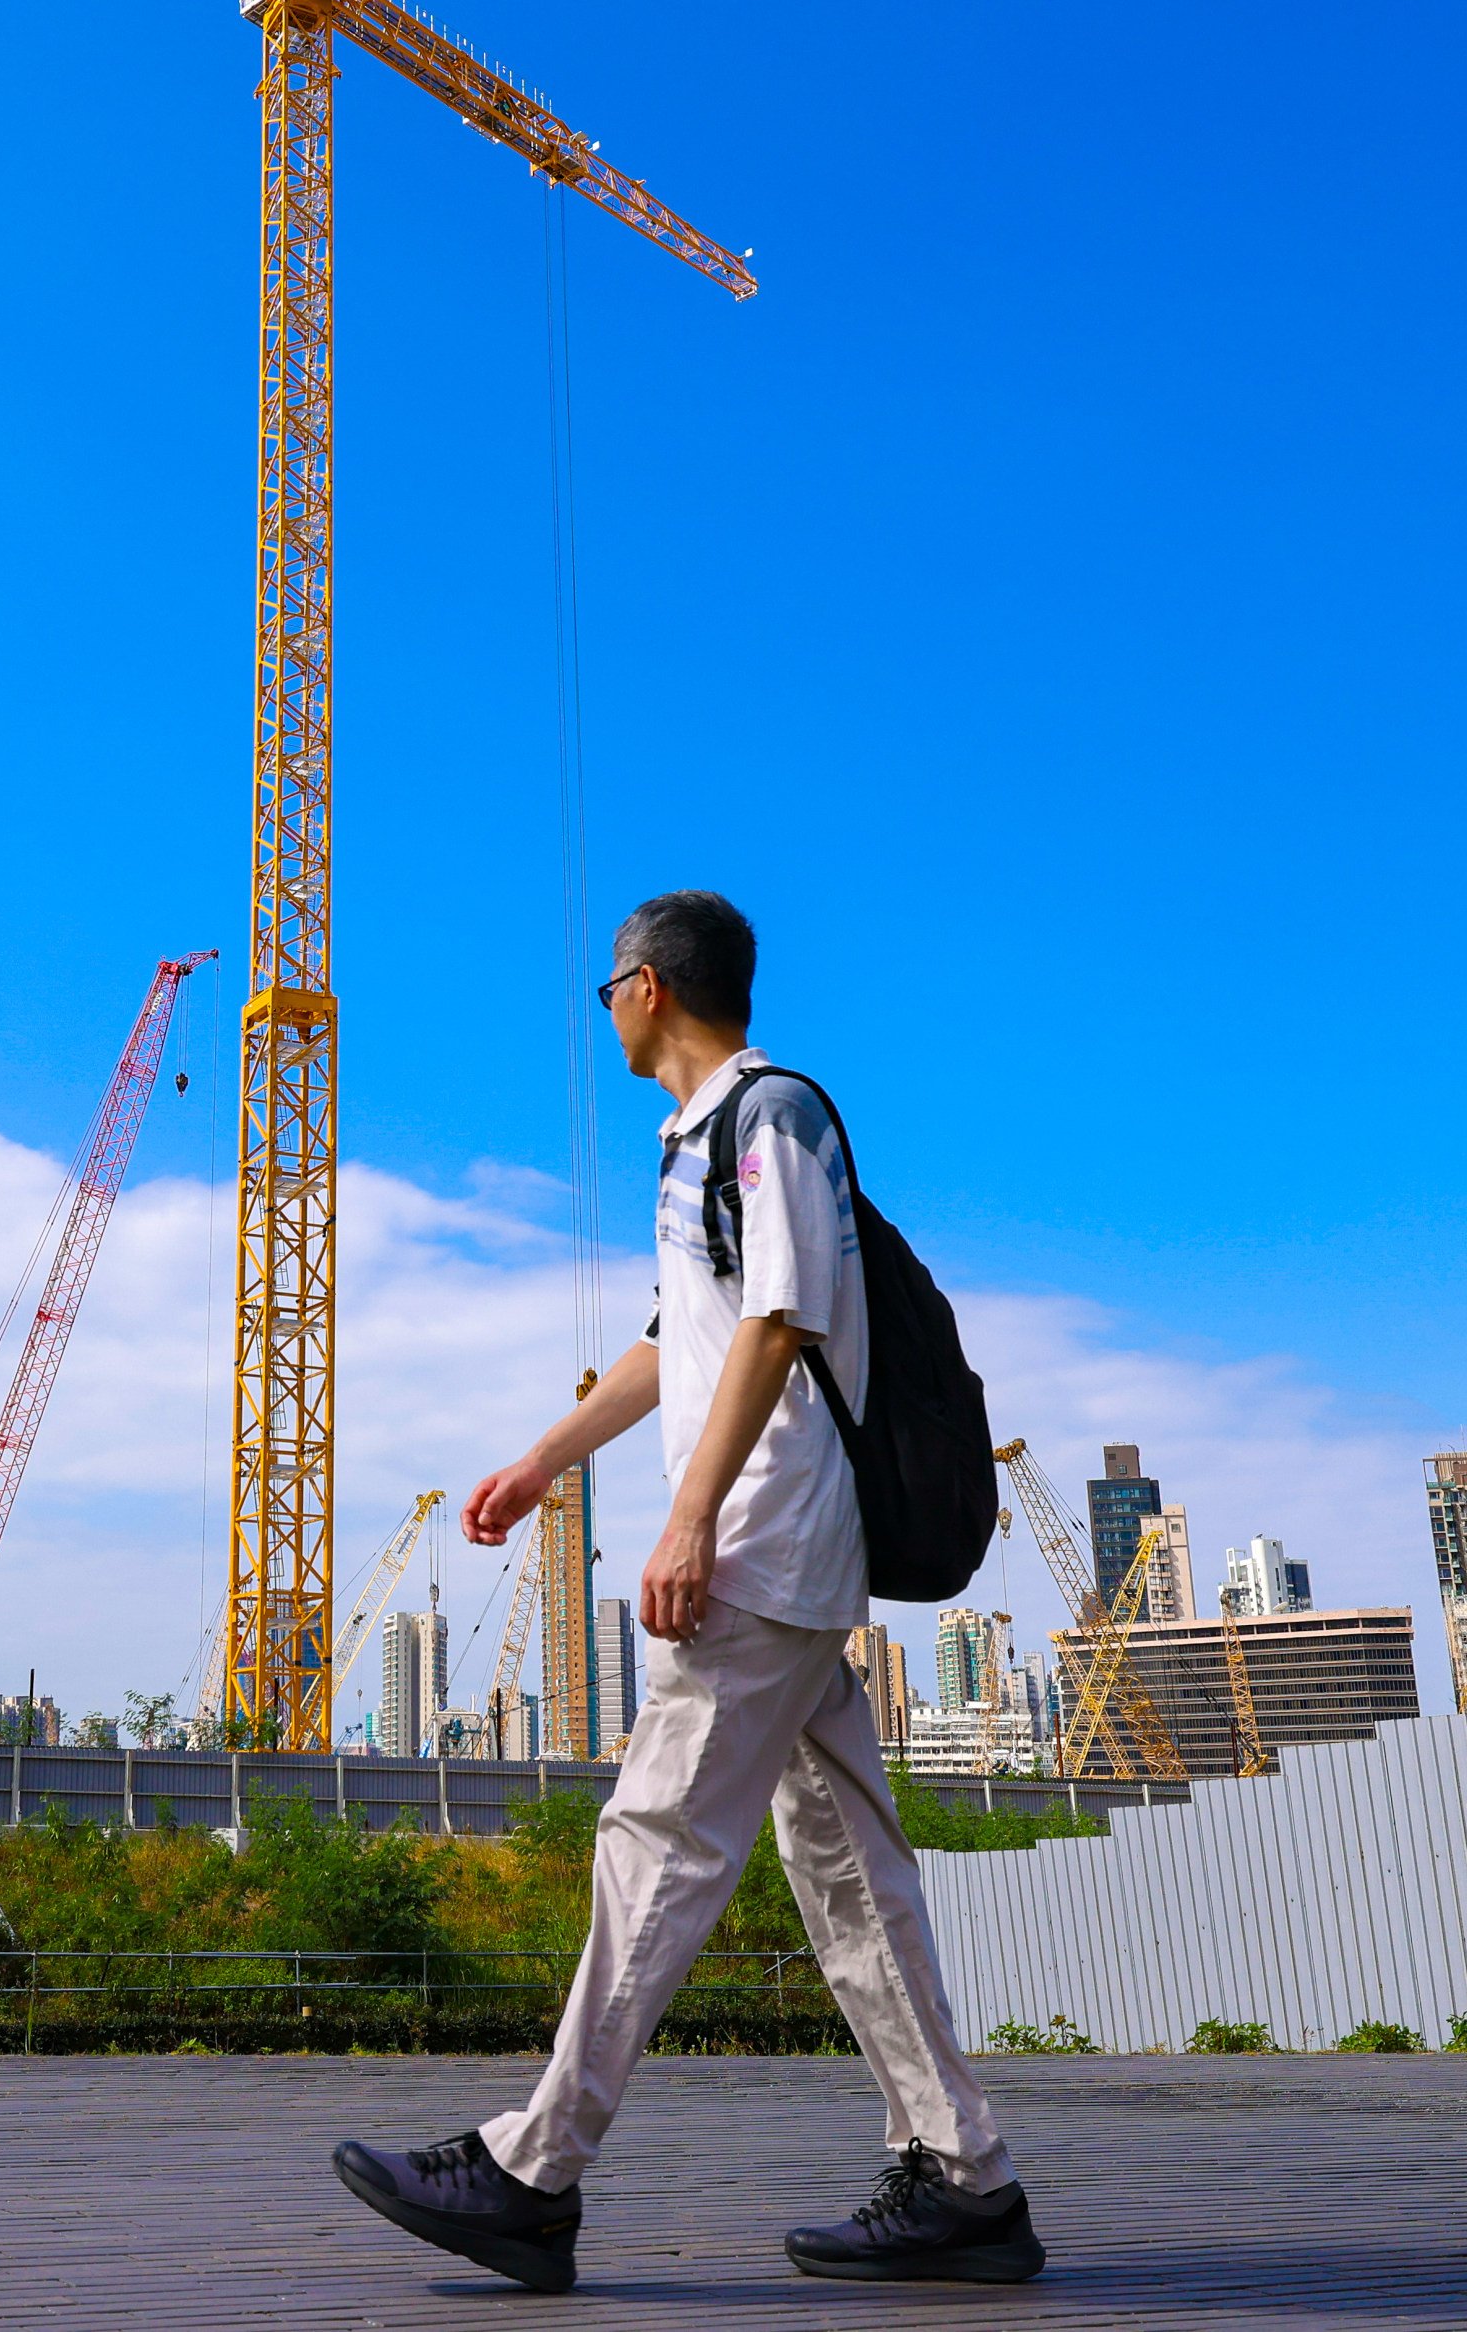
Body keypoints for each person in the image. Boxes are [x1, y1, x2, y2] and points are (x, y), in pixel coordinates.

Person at [333, 890, 1040, 2294]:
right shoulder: (698, 1143)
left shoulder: (775, 1115)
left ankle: (535, 2169)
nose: (603, 1009)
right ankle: (965, 2181)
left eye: (606, 988)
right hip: (772, 1552)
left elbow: (781, 1320)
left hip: (767, 1544)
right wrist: (544, 1458)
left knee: (655, 1840)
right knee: (852, 1878)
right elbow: (686, 1340)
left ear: (648, 988)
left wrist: (690, 1518)